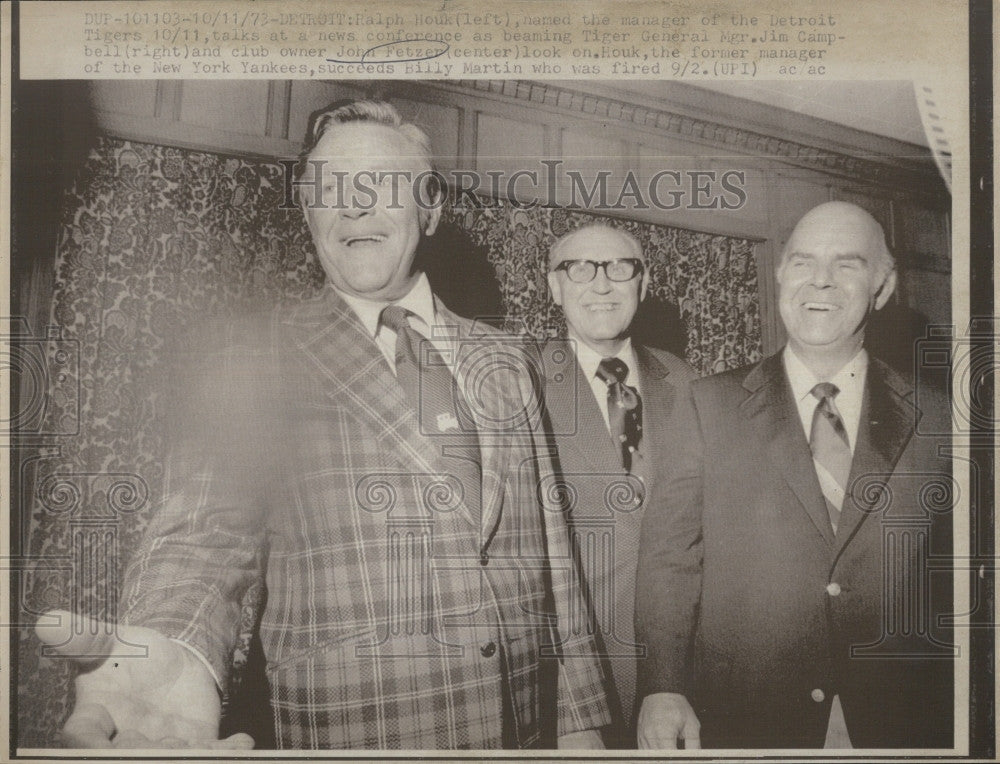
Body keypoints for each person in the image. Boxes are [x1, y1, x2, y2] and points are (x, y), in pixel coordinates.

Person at [36, 100, 610, 750]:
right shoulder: (253, 360)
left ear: (431, 207)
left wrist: (581, 720)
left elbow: (554, 556)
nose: (355, 204)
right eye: (331, 187)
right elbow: (201, 540)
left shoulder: (505, 358)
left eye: (383, 183)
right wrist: (175, 647)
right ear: (308, 213)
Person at [635, 201, 954, 749]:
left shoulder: (941, 419)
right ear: (780, 274)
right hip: (748, 717)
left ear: (883, 286)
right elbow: (669, 558)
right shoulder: (707, 405)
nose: (821, 281)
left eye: (848, 264)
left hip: (903, 720)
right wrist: (662, 688)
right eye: (803, 262)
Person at [541, 224, 695, 747]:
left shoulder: (691, 383)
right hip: (571, 689)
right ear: (553, 286)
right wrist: (567, 714)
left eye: (619, 268)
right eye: (579, 268)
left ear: (643, 284)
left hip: (684, 674)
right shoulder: (515, 381)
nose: (601, 285)